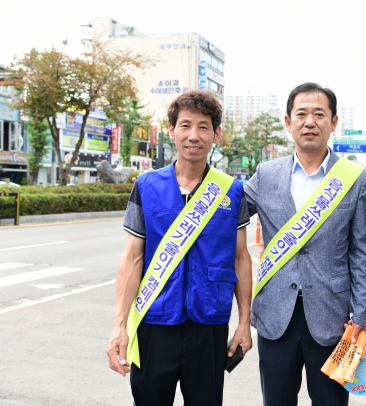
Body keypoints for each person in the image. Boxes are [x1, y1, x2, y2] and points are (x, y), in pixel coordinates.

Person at [106, 90, 252, 406]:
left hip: (209, 324)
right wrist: (119, 327)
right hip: (154, 324)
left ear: (216, 134)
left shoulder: (232, 191)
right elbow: (132, 259)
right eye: (185, 125)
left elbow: (241, 258)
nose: (193, 136)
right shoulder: (146, 186)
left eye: (203, 127)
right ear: (172, 130)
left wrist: (243, 323)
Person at [244, 82, 366, 406]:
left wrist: (362, 315)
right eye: (301, 114)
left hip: (334, 320)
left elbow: (363, 252)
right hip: (276, 315)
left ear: (333, 123)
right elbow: (224, 213)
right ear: (288, 122)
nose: (310, 121)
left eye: (319, 114)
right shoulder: (265, 174)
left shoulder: (354, 178)